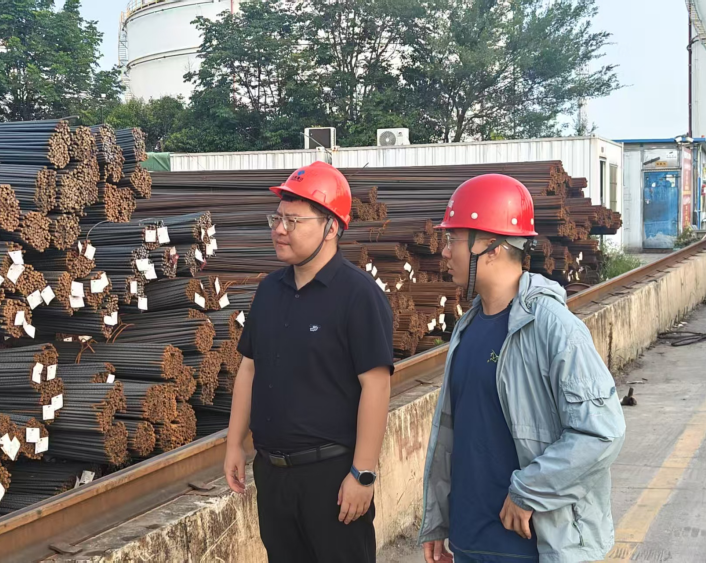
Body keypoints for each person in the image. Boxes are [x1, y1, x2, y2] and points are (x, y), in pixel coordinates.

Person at [419, 174, 626, 563]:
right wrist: (440, 522)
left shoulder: (554, 328)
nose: (445, 253)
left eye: (453, 239)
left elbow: (601, 433)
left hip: (527, 549)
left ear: (490, 246)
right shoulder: (468, 326)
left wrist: (528, 491)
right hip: (468, 541)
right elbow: (458, 437)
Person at [224, 161, 395, 563]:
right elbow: (249, 368)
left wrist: (363, 473)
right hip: (273, 474)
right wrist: (234, 444)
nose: (279, 230)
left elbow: (376, 385)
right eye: (277, 218)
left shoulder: (358, 295)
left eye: (293, 221)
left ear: (331, 227)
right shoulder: (270, 290)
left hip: (332, 477)